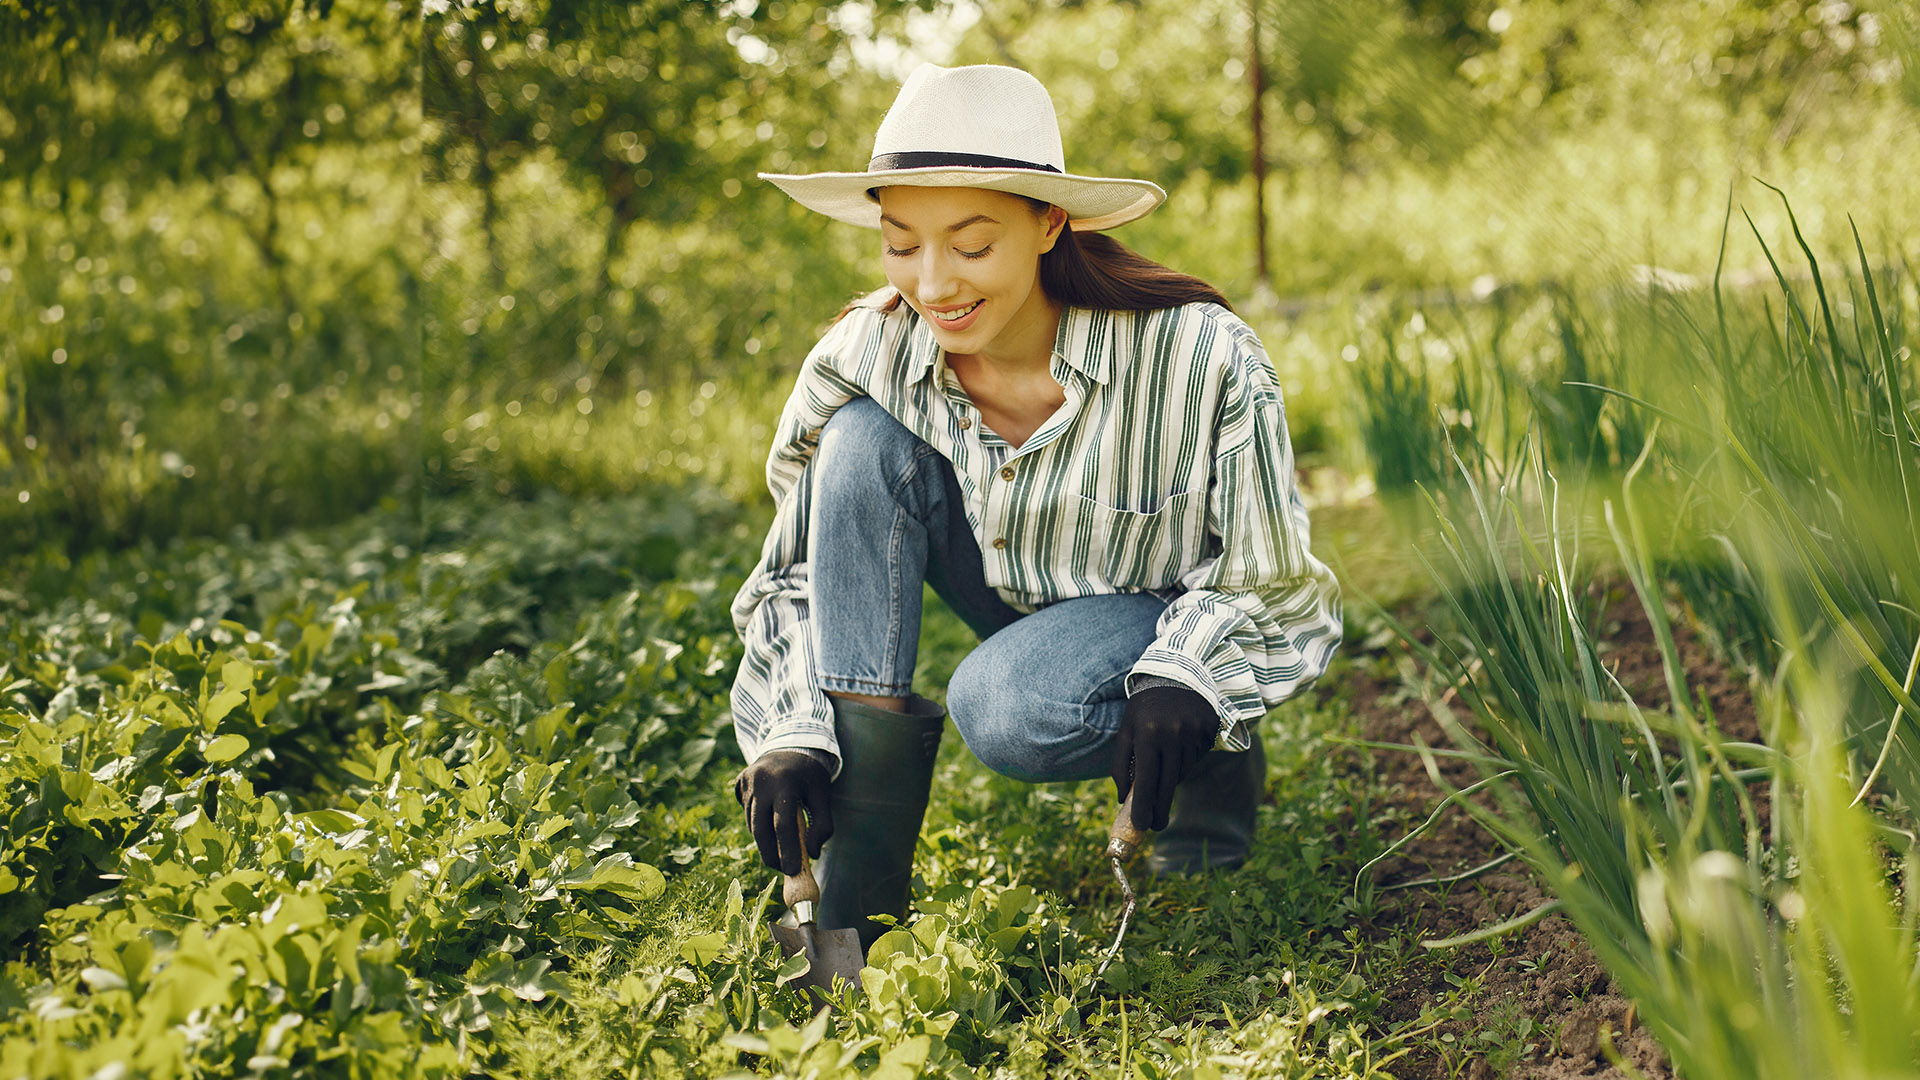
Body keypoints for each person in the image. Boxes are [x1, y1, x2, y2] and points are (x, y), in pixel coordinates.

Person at [729, 63, 1341, 948]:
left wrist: (1191, 678)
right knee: (859, 441)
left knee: (1005, 706)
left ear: (1049, 222)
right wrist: (790, 729)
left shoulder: (1199, 356)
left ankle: (1201, 756)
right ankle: (853, 917)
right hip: (1006, 587)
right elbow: (796, 572)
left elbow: (1276, 583)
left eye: (970, 246)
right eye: (901, 243)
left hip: (1157, 616)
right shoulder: (863, 354)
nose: (932, 283)